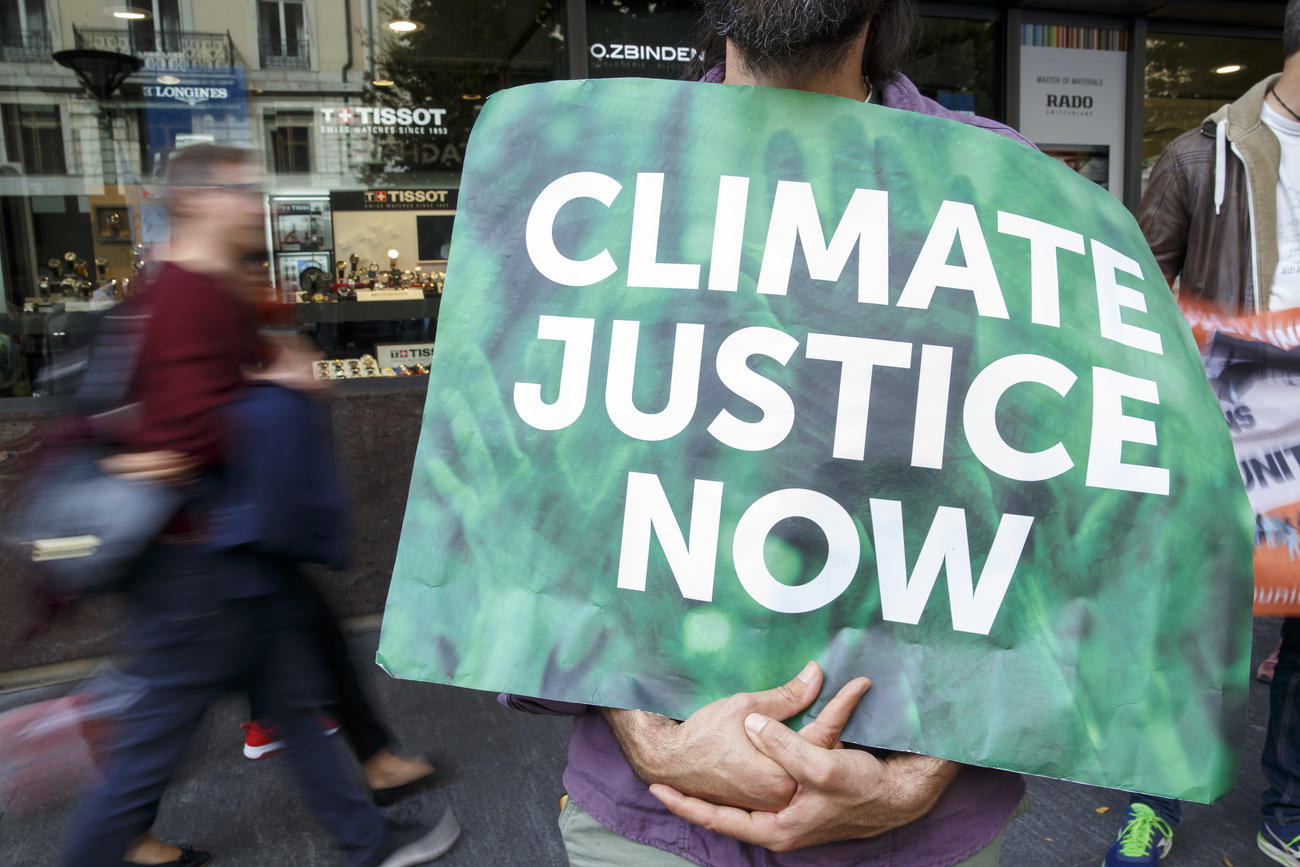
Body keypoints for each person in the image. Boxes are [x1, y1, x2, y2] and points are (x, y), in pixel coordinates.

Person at [506, 2, 1035, 865]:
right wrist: (649, 736)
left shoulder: (1012, 193)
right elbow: (531, 495)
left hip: (918, 834)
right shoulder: (596, 175)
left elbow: (1065, 522)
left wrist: (917, 777)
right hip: (652, 822)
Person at [59, 145, 457, 867]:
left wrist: (264, 369)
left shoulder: (204, 291)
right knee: (147, 757)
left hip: (230, 561)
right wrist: (276, 388)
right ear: (201, 200)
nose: (254, 205)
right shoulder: (185, 299)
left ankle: (365, 839)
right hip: (200, 569)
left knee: (297, 706)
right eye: (243, 192)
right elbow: (182, 437)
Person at [1103, 4, 1300, 864]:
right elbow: (1136, 294)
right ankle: (1157, 800)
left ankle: (1287, 805)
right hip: (1236, 415)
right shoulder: (1201, 155)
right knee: (1197, 620)